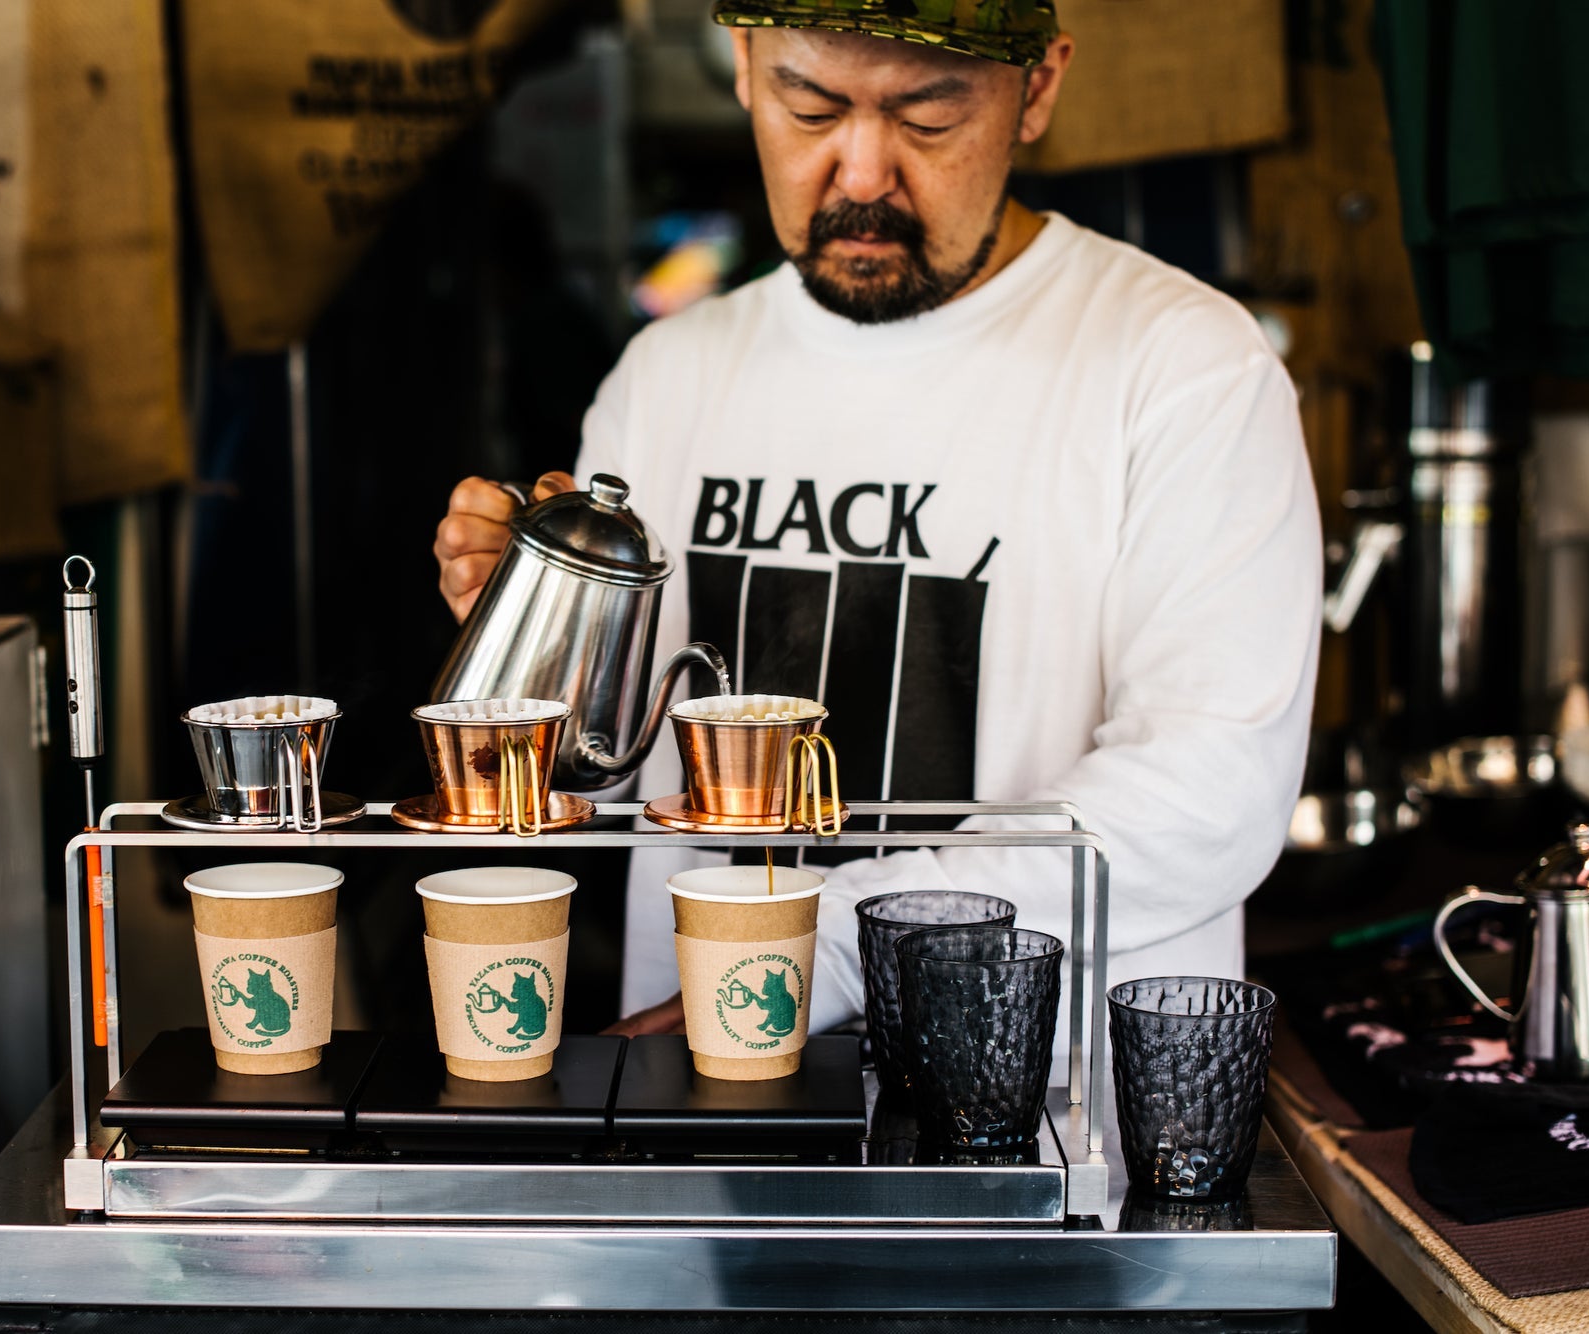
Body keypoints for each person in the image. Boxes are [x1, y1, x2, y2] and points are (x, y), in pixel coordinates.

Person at [433, 0, 1321, 1044]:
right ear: (742, 65)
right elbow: (603, 767)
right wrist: (529, 648)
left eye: (926, 117)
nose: (859, 177)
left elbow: (1202, 801)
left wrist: (819, 958)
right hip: (702, 1138)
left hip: (1031, 1147)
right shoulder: (666, 378)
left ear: (1035, 88)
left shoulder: (1181, 369)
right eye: (807, 109)